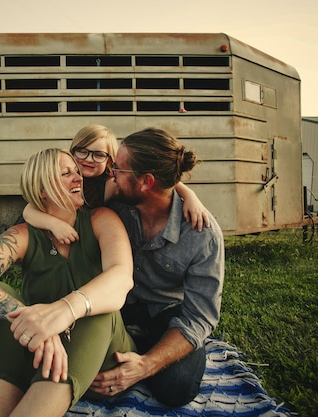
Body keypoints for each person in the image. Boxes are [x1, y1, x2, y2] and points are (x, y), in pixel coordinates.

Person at [0, 148, 137, 417]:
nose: (78, 178)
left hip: (105, 362)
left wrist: (62, 312)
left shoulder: (101, 220)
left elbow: (121, 277)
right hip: (43, 355)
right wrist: (34, 320)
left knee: (99, 307)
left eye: (76, 171)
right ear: (42, 191)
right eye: (66, 173)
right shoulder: (24, 235)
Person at [90, 128, 225, 408]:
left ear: (146, 182)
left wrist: (146, 365)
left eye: (118, 168)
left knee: (176, 389)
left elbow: (199, 317)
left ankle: (139, 357)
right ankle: (128, 349)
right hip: (116, 306)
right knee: (88, 375)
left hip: (165, 314)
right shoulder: (116, 202)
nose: (111, 173)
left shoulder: (202, 235)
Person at [23, 125, 209, 246]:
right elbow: (29, 211)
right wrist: (53, 224)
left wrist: (189, 194)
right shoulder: (62, 177)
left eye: (98, 155)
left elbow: (157, 178)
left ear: (111, 161)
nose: (88, 159)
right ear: (73, 150)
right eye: (82, 151)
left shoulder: (110, 183)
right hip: (56, 236)